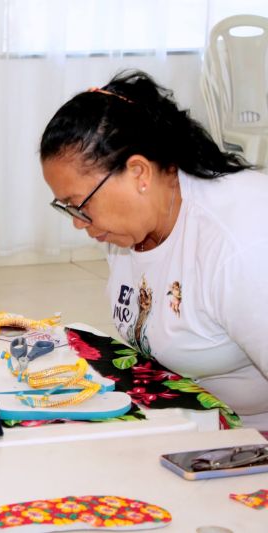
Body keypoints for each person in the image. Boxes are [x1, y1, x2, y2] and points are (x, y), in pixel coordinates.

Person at [39, 70, 268, 431]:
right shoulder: (128, 228)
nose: (78, 223)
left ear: (139, 173)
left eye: (79, 205)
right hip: (186, 421)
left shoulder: (240, 244)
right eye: (66, 207)